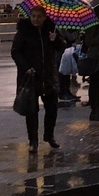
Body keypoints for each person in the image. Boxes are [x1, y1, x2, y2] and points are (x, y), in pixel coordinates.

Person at [10, 9, 61, 153]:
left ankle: (49, 136)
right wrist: (26, 67)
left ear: (44, 18)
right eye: (33, 16)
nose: (35, 19)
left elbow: (62, 47)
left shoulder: (51, 30)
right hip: (30, 77)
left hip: (48, 76)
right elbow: (15, 52)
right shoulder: (24, 32)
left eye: (39, 17)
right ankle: (33, 141)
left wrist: (56, 39)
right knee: (31, 110)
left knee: (52, 108)